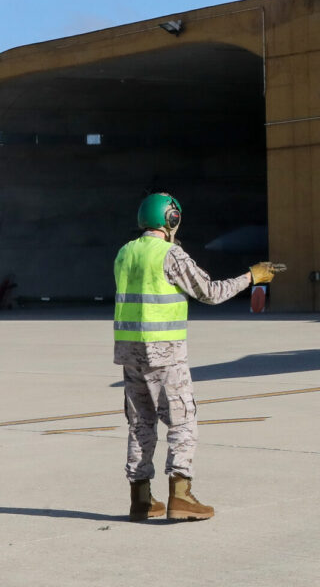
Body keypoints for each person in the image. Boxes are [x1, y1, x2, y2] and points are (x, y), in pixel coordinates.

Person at [114, 192, 283, 521]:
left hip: (129, 353)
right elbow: (211, 292)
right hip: (165, 351)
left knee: (140, 424)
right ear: (171, 219)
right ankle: (181, 496)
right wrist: (253, 276)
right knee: (183, 421)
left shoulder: (124, 253)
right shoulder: (170, 255)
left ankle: (141, 499)